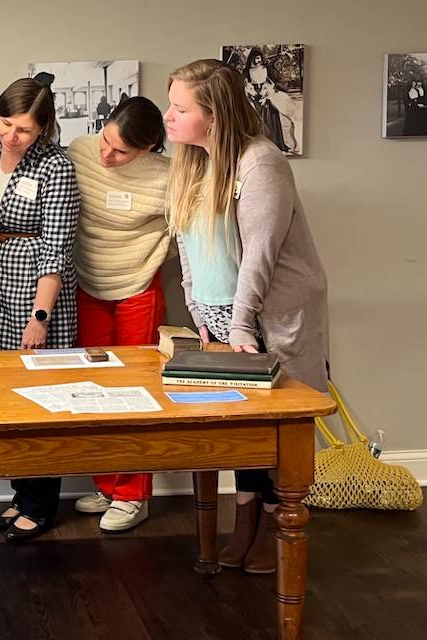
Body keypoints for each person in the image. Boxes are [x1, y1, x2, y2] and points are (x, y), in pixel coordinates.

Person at [165, 59, 329, 574]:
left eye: (179, 107)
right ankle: (247, 517)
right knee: (237, 424)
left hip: (270, 314)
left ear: (212, 115)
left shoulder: (262, 163)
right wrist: (199, 309)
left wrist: (239, 323)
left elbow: (260, 251)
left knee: (275, 426)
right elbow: (186, 243)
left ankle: (278, 519)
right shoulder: (193, 160)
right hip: (220, 315)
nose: (168, 116)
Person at [0, 77, 80, 542]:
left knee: (39, 395)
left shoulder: (57, 167)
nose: (11, 136)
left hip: (34, 286)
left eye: (24, 130)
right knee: (1, 392)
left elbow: (56, 249)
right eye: (5, 124)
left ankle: (40, 502)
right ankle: (20, 493)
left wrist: (40, 317)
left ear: (44, 130)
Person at [67, 96, 170, 533]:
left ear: (145, 150)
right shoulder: (79, 151)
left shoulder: (170, 177)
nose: (107, 155)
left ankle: (133, 495)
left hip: (137, 287)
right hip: (87, 283)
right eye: (106, 140)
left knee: (137, 392)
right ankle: (108, 485)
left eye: (121, 151)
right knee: (93, 389)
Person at [242, 48, 289, 153]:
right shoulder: (247, 71)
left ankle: (275, 142)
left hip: (267, 91)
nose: (256, 61)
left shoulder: (268, 68)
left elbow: (276, 81)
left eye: (258, 58)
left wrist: (269, 93)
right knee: (257, 118)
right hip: (254, 93)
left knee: (271, 116)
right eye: (254, 58)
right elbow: (244, 84)